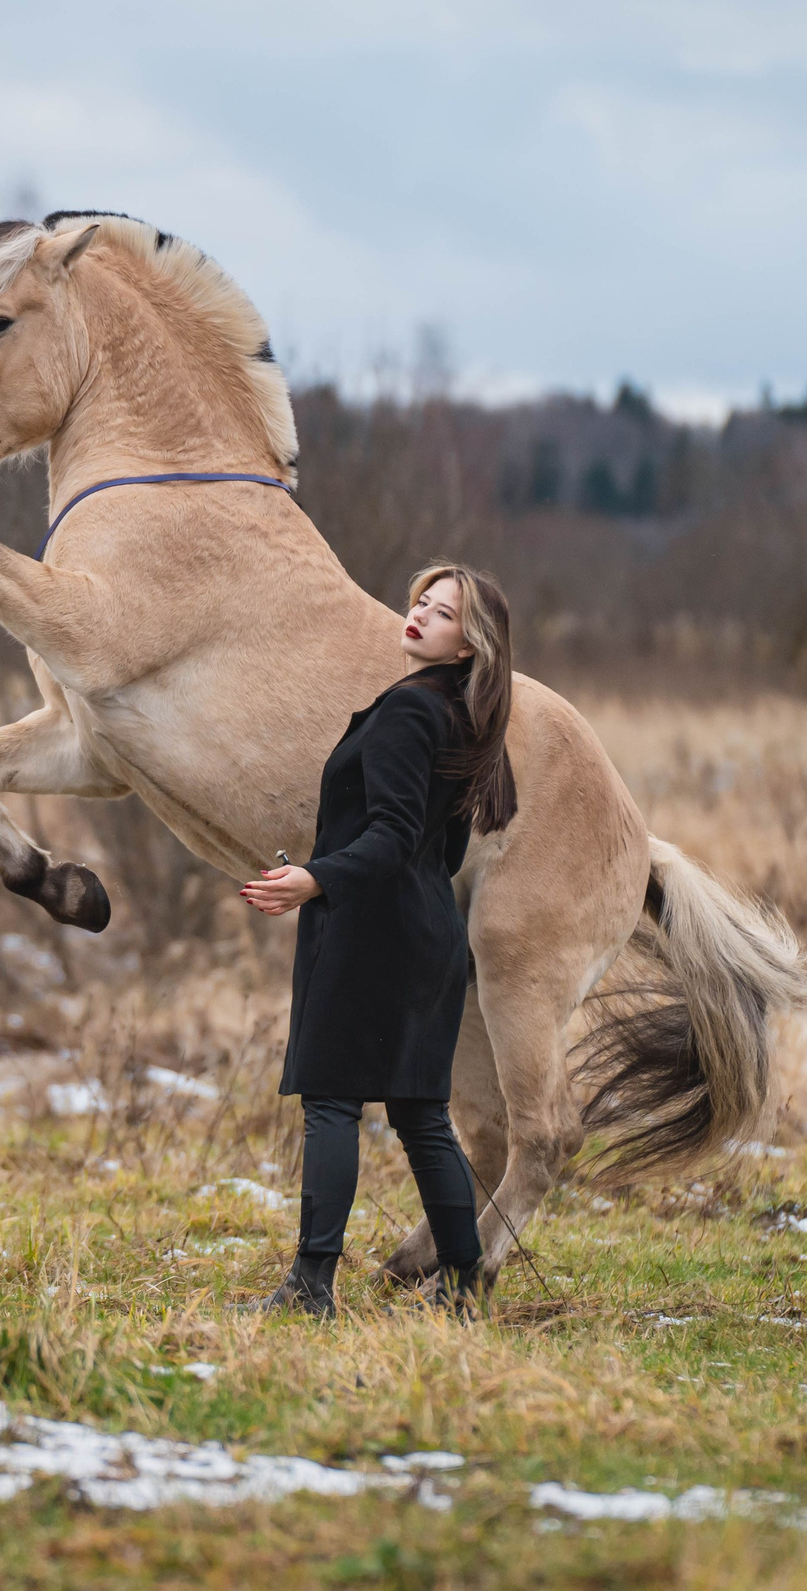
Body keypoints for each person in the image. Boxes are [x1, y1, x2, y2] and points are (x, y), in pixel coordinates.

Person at [238, 562, 519, 1319]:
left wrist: (317, 880)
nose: (421, 615)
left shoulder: (405, 713)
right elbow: (442, 849)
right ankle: (464, 1282)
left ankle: (310, 1286)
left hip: (372, 935)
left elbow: (392, 834)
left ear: (469, 647)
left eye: (445, 614)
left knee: (331, 1100)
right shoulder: (464, 717)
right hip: (429, 932)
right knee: (420, 1112)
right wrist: (339, 870)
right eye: (421, 602)